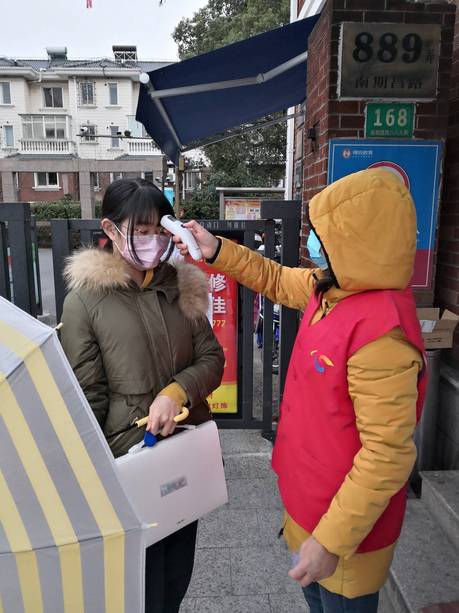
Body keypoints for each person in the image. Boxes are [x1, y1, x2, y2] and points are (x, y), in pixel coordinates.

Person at [172, 168, 427, 613]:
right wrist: (216, 250)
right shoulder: (332, 289)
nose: (315, 246)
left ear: (358, 242)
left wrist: (330, 541)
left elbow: (387, 455)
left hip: (343, 532)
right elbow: (272, 277)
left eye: (324, 237)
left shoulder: (383, 335)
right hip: (310, 502)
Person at [60, 178, 225, 613]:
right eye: (142, 230)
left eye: (159, 230)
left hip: (184, 453)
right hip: (128, 463)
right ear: (111, 229)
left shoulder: (182, 285)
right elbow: (86, 397)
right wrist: (87, 478)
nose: (152, 241)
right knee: (140, 586)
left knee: (176, 576)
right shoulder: (85, 302)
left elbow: (212, 358)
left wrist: (176, 391)